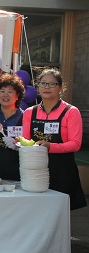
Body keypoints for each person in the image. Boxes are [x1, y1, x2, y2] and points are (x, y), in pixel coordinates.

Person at [22, 68, 86, 210]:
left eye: (52, 84)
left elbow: (75, 144)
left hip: (62, 171)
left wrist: (51, 146)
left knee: (59, 214)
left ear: (61, 88)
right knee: (37, 211)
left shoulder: (71, 112)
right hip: (36, 171)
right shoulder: (29, 113)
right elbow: (27, 141)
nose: (47, 87)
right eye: (43, 83)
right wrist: (19, 142)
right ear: (38, 87)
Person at [0, 74, 25, 181]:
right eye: (2, 91)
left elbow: (31, 142)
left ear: (18, 96)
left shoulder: (25, 117)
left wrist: (19, 144)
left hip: (17, 173)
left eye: (10, 91)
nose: (5, 95)